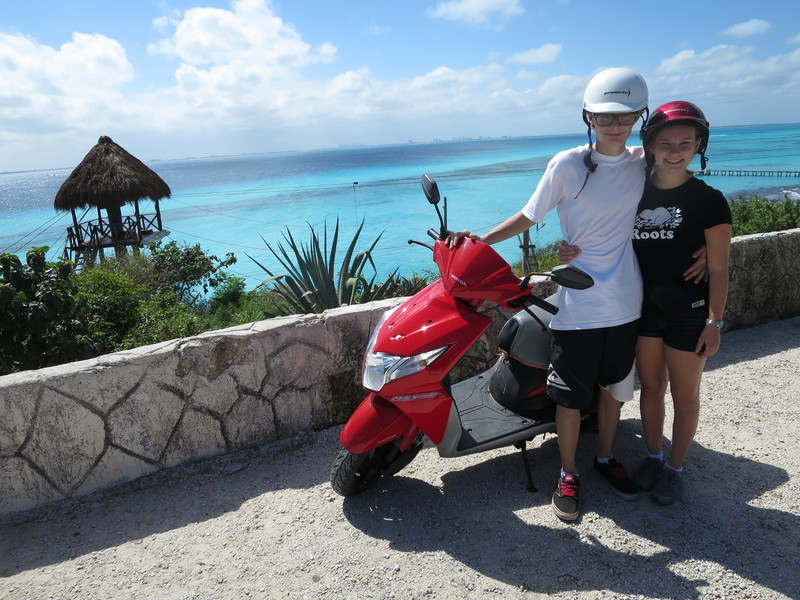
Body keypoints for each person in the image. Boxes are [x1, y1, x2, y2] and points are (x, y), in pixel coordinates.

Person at [447, 67, 651, 521]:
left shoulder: (645, 162)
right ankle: (568, 472)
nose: (615, 125)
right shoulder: (567, 165)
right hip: (578, 303)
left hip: (626, 302)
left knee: (614, 391)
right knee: (569, 397)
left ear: (640, 116)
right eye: (604, 116)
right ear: (588, 117)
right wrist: (478, 241)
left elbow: (680, 189)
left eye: (625, 116)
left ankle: (605, 458)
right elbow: (528, 215)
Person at [629, 101, 732, 504]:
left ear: (699, 146)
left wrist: (714, 323)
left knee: (685, 397)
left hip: (689, 313)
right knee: (651, 388)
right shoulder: (633, 189)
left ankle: (675, 468)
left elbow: (719, 269)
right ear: (650, 146)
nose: (675, 152)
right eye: (665, 143)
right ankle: (654, 456)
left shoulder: (709, 200)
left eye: (685, 143)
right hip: (643, 310)